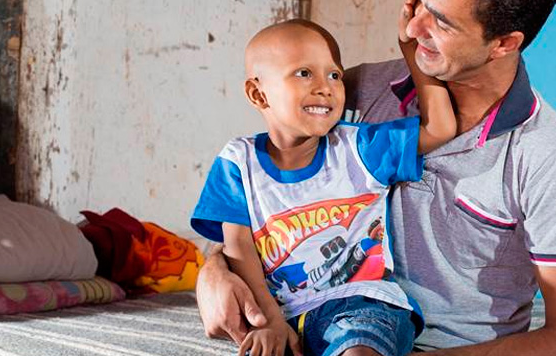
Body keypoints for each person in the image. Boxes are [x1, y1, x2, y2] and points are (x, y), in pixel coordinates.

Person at [196, 0, 556, 356]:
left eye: (442, 22)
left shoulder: (550, 156)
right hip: (317, 324)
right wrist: (213, 269)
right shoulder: (362, 90)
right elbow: (267, 192)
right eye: (420, 3)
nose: (411, 29)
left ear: (505, 43)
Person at [189, 18, 457, 356]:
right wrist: (270, 320)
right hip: (286, 315)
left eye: (335, 75)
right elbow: (239, 249)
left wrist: (410, 49)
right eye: (304, 73)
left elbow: (442, 127)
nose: (325, 86)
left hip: (362, 306)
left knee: (360, 347)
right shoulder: (237, 163)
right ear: (258, 93)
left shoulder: (359, 149)